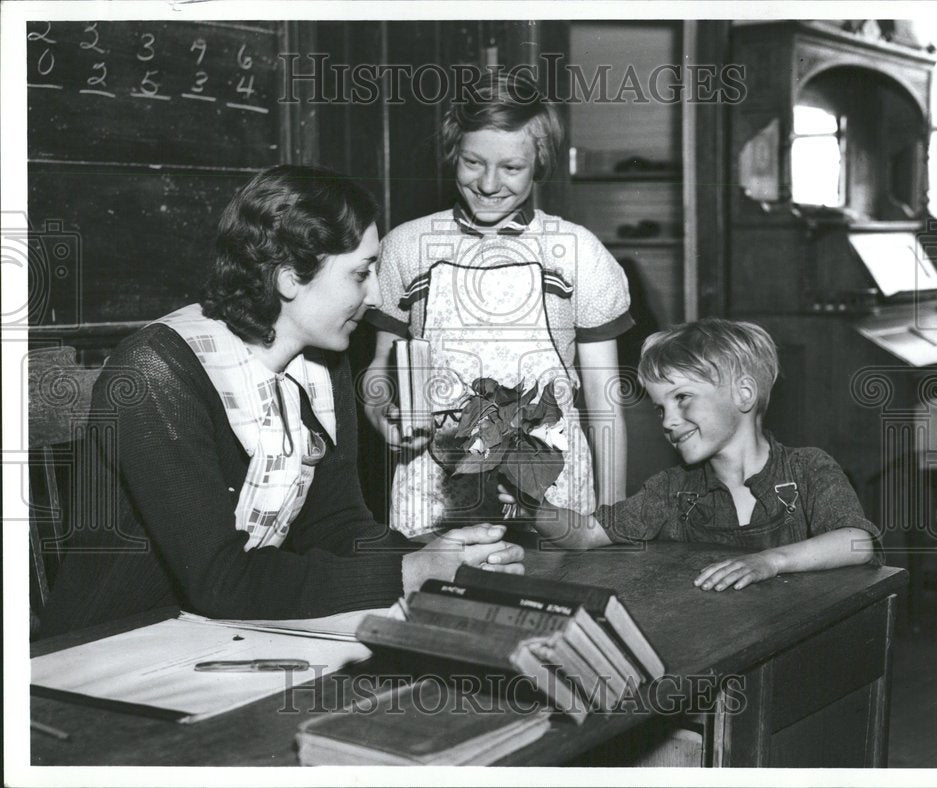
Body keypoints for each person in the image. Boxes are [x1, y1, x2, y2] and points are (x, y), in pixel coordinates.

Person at [38, 165, 523, 638]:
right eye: (361, 273)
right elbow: (220, 581)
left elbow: (336, 525)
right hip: (115, 646)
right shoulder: (156, 373)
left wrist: (446, 558)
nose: (376, 296)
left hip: (229, 630)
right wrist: (408, 572)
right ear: (290, 277)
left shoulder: (322, 360)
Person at [362, 71, 634, 539]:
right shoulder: (407, 248)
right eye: (473, 162)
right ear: (454, 153)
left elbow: (606, 406)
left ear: (539, 162)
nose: (489, 184)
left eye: (511, 168)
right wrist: (380, 413)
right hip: (433, 489)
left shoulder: (577, 252)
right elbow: (377, 374)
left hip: (553, 494)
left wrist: (608, 523)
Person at [508, 318, 881, 591]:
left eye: (682, 398)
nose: (669, 421)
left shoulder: (808, 469)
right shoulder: (671, 489)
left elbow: (857, 541)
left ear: (744, 394)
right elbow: (587, 533)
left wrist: (770, 561)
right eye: (660, 408)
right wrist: (528, 503)